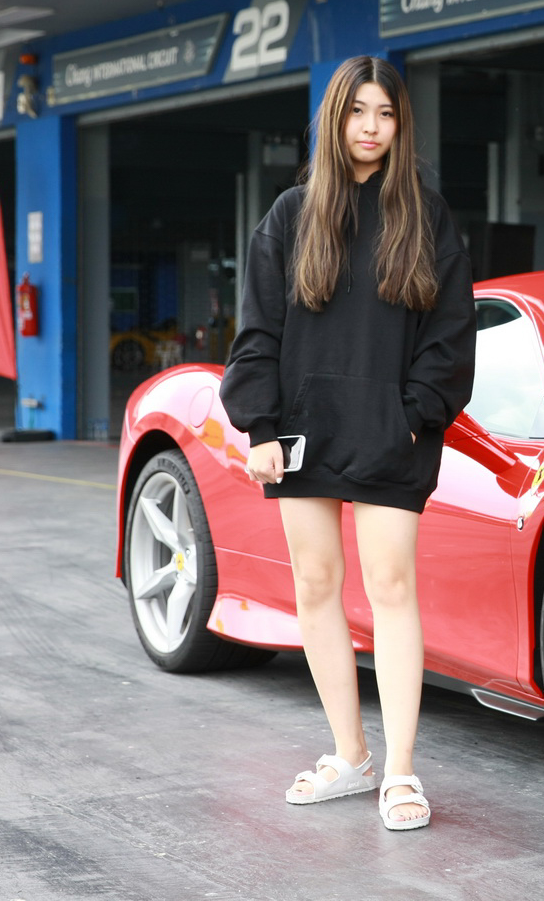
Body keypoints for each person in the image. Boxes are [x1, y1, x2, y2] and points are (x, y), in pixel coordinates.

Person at [220, 56, 475, 830]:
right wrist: (260, 426)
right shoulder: (293, 213)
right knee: (316, 589)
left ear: (401, 125)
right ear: (335, 120)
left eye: (386, 113)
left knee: (393, 591)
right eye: (358, 111)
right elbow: (258, 327)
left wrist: (413, 413)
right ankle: (351, 758)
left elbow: (451, 335)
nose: (371, 126)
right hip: (302, 433)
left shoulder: (427, 217)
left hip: (391, 434)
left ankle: (399, 772)